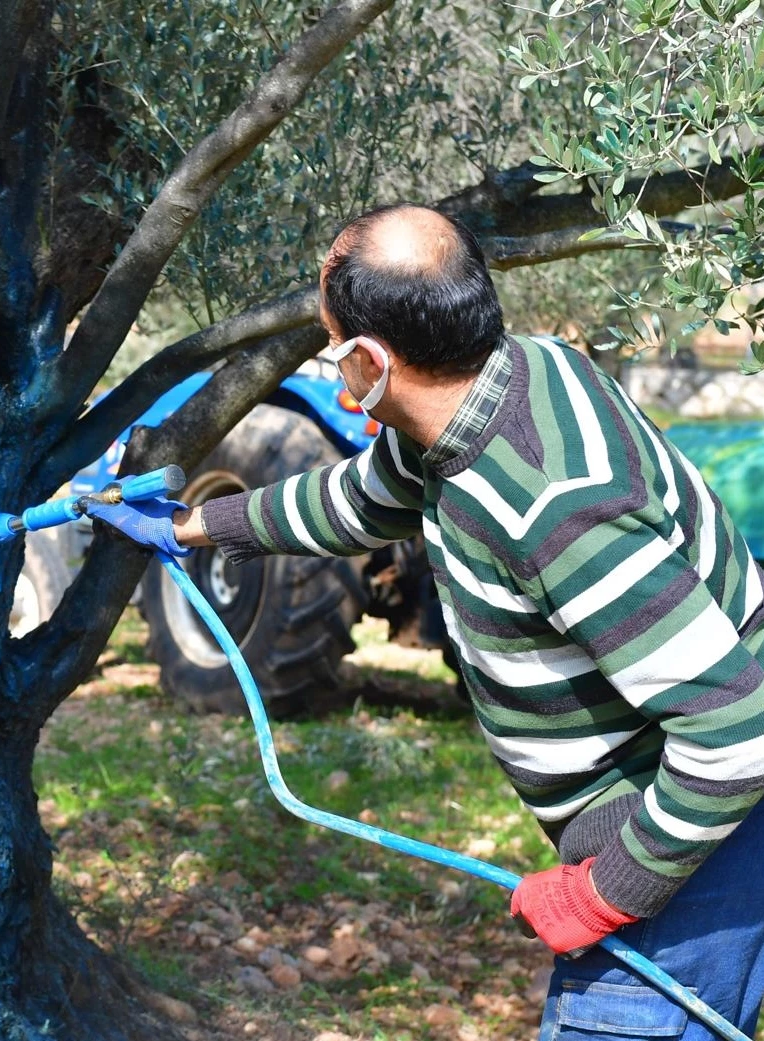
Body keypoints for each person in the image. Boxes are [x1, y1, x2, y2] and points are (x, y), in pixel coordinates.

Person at [87, 203, 764, 1041]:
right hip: (687, 806)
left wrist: (604, 891)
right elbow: (357, 501)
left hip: (696, 830)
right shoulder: (503, 382)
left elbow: (735, 737)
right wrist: (194, 525)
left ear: (373, 362)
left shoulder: (555, 510)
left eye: (334, 351)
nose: (333, 370)